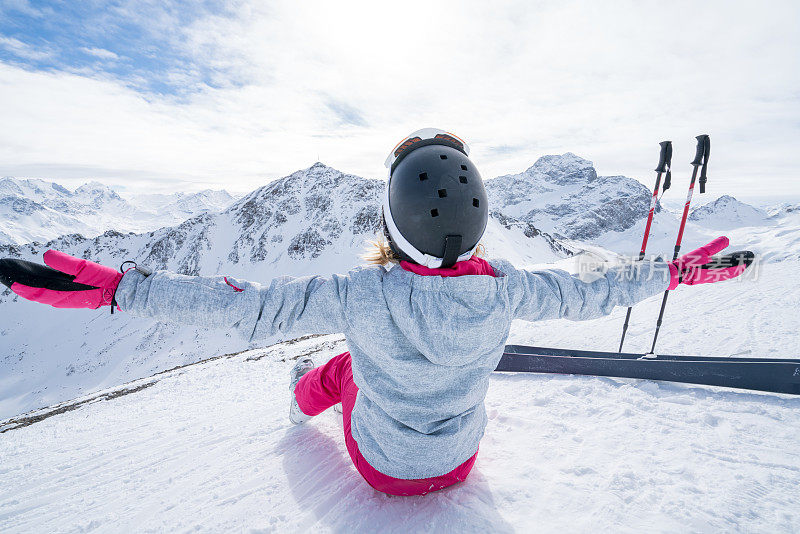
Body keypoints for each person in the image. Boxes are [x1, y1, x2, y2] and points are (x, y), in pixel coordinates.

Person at [0, 128, 752, 497]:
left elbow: (248, 311)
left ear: (392, 225)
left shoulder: (360, 293)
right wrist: (675, 272)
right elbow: (596, 289)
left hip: (383, 474)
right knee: (371, 369)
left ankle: (299, 401)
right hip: (460, 462)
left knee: (336, 370)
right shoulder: (511, 287)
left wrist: (117, 288)